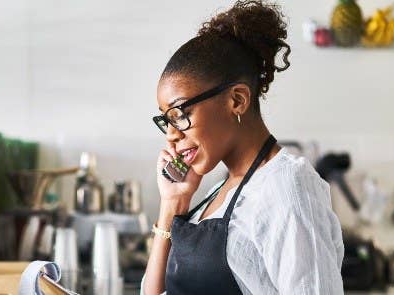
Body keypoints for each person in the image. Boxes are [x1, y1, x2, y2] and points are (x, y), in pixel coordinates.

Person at [141, 1, 344, 294]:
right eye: (167, 120)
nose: (171, 135)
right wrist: (172, 204)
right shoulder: (219, 190)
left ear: (237, 100)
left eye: (180, 115)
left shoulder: (288, 187)